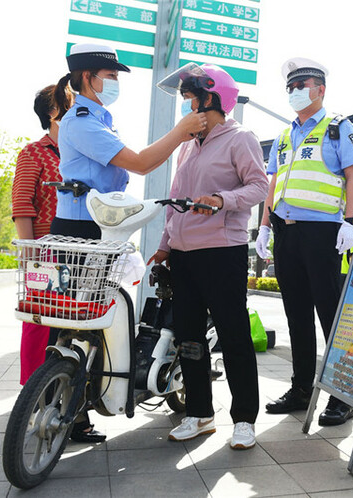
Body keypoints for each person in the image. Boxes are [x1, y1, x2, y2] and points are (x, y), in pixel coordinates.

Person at [50, 43, 206, 443]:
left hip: (98, 227)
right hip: (83, 230)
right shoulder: (82, 120)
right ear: (88, 77)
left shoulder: (98, 117)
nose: (116, 82)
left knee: (91, 319)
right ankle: (65, 408)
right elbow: (139, 163)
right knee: (78, 321)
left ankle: (76, 409)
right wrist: (180, 131)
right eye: (112, 76)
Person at [147, 63, 267, 448]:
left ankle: (244, 419)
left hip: (222, 253)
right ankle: (199, 413)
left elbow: (259, 187)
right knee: (190, 338)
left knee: (234, 336)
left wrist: (221, 200)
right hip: (184, 256)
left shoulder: (240, 138)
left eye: (190, 99)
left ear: (212, 98)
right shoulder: (186, 147)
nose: (187, 107)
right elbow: (175, 200)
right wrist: (166, 243)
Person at [256, 58, 353, 426]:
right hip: (286, 233)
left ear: (320, 89)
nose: (295, 92)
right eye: (290, 87)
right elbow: (274, 184)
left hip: (323, 234)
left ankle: (342, 395)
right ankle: (302, 389)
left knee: (330, 315)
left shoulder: (337, 128)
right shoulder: (285, 136)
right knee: (296, 315)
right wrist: (265, 227)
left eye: (302, 85)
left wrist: (350, 221)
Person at [11, 84, 66, 385]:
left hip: (80, 253)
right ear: (52, 112)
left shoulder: (80, 153)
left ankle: (66, 396)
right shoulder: (34, 152)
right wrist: (30, 254)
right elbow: (21, 203)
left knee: (72, 324)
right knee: (40, 320)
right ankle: (31, 394)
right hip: (45, 251)